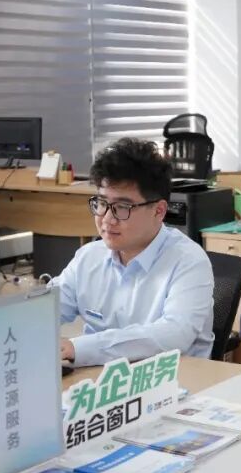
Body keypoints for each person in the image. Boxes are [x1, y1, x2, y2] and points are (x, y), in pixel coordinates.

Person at [55, 138, 214, 366]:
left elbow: (174, 334)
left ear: (159, 211)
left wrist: (79, 348)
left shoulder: (188, 261)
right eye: (102, 203)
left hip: (172, 379)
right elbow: (46, 309)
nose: (107, 219)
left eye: (122, 207)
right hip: (100, 377)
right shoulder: (88, 257)